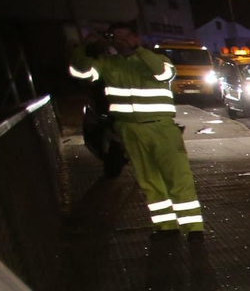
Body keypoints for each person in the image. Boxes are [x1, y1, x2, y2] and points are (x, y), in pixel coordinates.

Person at [69, 22, 204, 236]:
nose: (119, 40)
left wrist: (137, 51)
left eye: (125, 36)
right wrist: (85, 47)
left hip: (161, 128)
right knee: (148, 179)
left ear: (136, 38)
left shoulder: (157, 60)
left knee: (178, 177)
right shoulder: (107, 63)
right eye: (116, 36)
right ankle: (165, 226)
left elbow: (163, 73)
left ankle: (193, 228)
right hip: (129, 129)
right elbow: (80, 72)